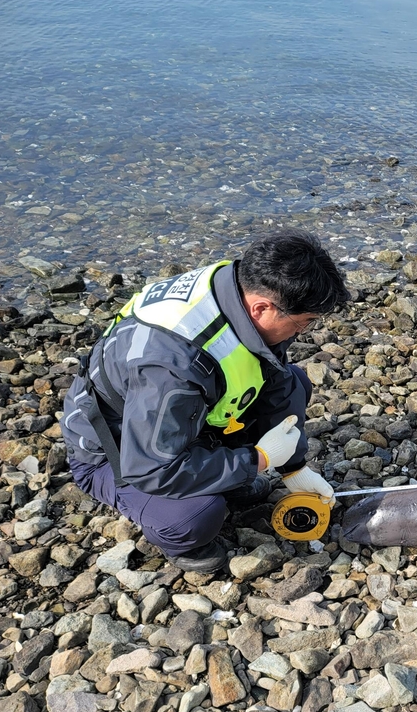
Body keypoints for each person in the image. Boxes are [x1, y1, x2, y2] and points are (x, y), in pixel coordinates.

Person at [62, 229, 349, 571]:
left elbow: (275, 378)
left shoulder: (238, 288)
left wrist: (294, 467)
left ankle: (222, 474)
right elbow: (154, 469)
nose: (303, 332)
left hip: (184, 422)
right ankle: (177, 540)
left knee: (296, 382)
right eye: (303, 324)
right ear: (262, 308)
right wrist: (256, 460)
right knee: (196, 516)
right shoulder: (170, 367)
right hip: (120, 451)